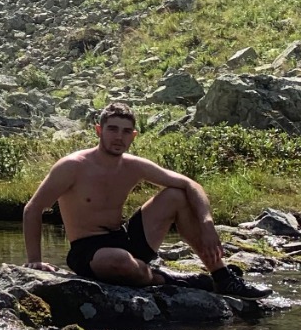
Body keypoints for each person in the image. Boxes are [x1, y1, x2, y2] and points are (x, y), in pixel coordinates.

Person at [22, 102, 269, 298]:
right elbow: (33, 209)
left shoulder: (133, 165)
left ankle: (222, 276)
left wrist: (207, 223)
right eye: (112, 129)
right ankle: (169, 279)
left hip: (126, 238)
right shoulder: (72, 166)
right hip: (90, 250)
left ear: (134, 135)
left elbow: (190, 184)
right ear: (99, 130)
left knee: (176, 194)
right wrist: (35, 261)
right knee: (117, 260)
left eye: (126, 131)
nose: (119, 137)